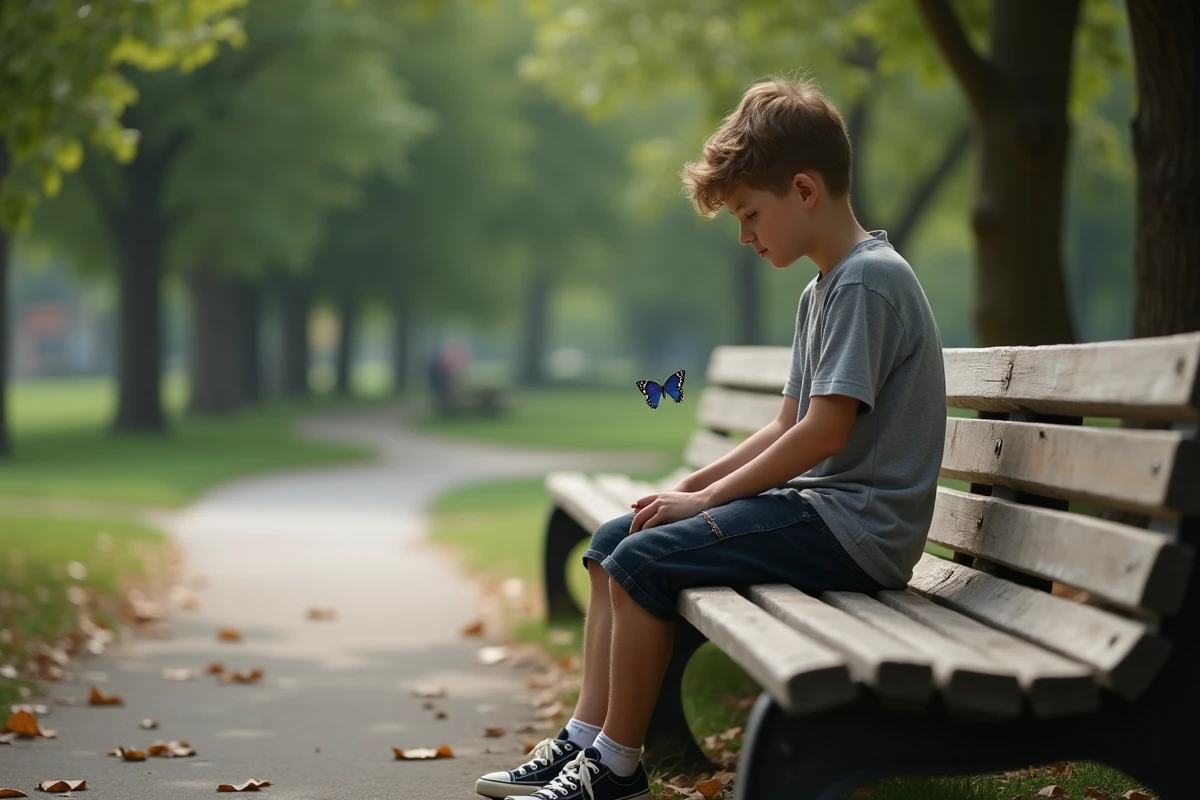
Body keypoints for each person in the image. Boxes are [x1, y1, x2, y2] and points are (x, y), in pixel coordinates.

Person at [475, 75, 947, 800]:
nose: (745, 236)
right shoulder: (824, 288)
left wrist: (705, 504)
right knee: (615, 539)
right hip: (821, 516)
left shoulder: (866, 283)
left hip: (857, 530)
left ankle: (616, 768)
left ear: (804, 189)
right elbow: (786, 422)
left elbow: (823, 433)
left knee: (642, 562)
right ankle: (585, 736)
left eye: (751, 214)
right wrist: (690, 487)